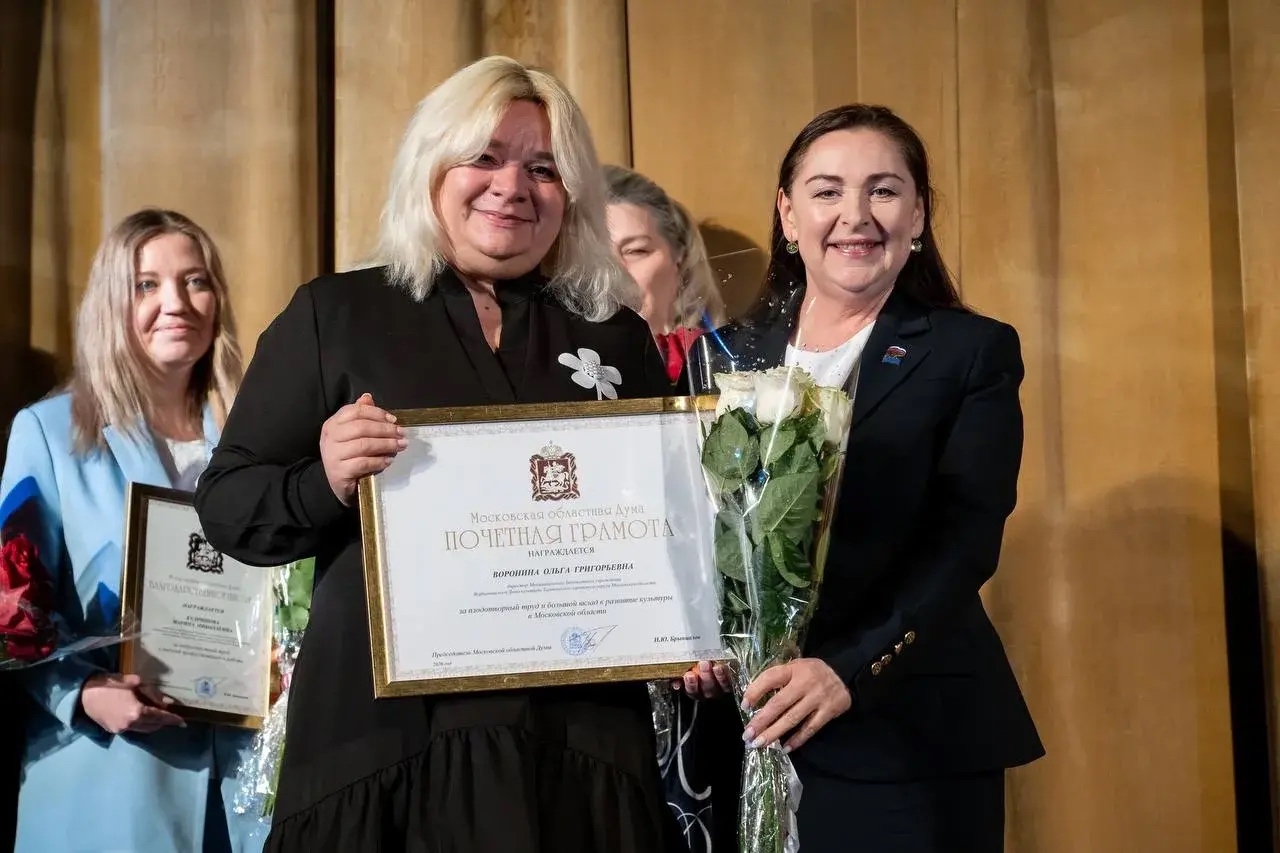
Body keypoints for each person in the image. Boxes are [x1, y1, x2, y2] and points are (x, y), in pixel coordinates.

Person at [192, 56, 680, 853]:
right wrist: (326, 479)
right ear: (431, 167)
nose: (511, 186)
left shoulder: (613, 333)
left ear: (572, 193)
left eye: (543, 168)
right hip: (386, 746)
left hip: (578, 746)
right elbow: (227, 506)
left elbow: (665, 521)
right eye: (484, 157)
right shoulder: (337, 315)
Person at [681, 105, 1045, 852]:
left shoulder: (970, 352)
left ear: (918, 215)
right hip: (742, 732)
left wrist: (845, 669)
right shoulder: (721, 357)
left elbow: (964, 542)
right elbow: (688, 525)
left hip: (903, 739)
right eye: (827, 191)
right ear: (788, 214)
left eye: (883, 190)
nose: (856, 215)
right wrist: (692, 639)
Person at [1, 208, 261, 852]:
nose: (176, 303)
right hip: (110, 782)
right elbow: (10, 608)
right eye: (146, 285)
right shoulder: (50, 434)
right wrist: (82, 693)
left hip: (246, 788)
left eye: (196, 281)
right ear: (109, 304)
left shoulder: (260, 440)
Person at [604, 165, 726, 384]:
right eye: (593, 256)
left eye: (636, 251)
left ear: (679, 257)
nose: (612, 272)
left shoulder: (721, 363)